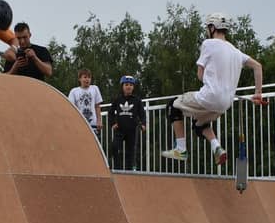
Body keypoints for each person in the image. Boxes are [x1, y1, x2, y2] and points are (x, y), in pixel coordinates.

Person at [161, 13, 265, 165]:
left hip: (209, 97)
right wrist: (258, 93)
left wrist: (209, 80)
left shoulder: (208, 44)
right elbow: (257, 66)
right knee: (199, 124)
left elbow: (200, 74)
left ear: (212, 28)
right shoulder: (236, 52)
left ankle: (181, 149)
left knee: (173, 106)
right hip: (225, 104)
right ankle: (217, 147)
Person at [109, 75, 146, 171]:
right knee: (114, 146)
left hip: (132, 130)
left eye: (130, 85)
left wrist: (143, 124)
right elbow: (111, 112)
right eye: (126, 85)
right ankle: (117, 168)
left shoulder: (137, 100)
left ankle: (129, 171)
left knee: (131, 152)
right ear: (122, 86)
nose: (128, 87)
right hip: (120, 129)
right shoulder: (118, 99)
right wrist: (113, 123)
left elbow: (142, 114)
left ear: (133, 87)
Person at [67, 69, 104, 134]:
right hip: (79, 124)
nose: (87, 79)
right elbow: (71, 109)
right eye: (85, 77)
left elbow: (97, 106)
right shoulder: (74, 91)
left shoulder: (95, 88)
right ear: (79, 79)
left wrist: (99, 121)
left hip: (93, 125)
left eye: (89, 77)